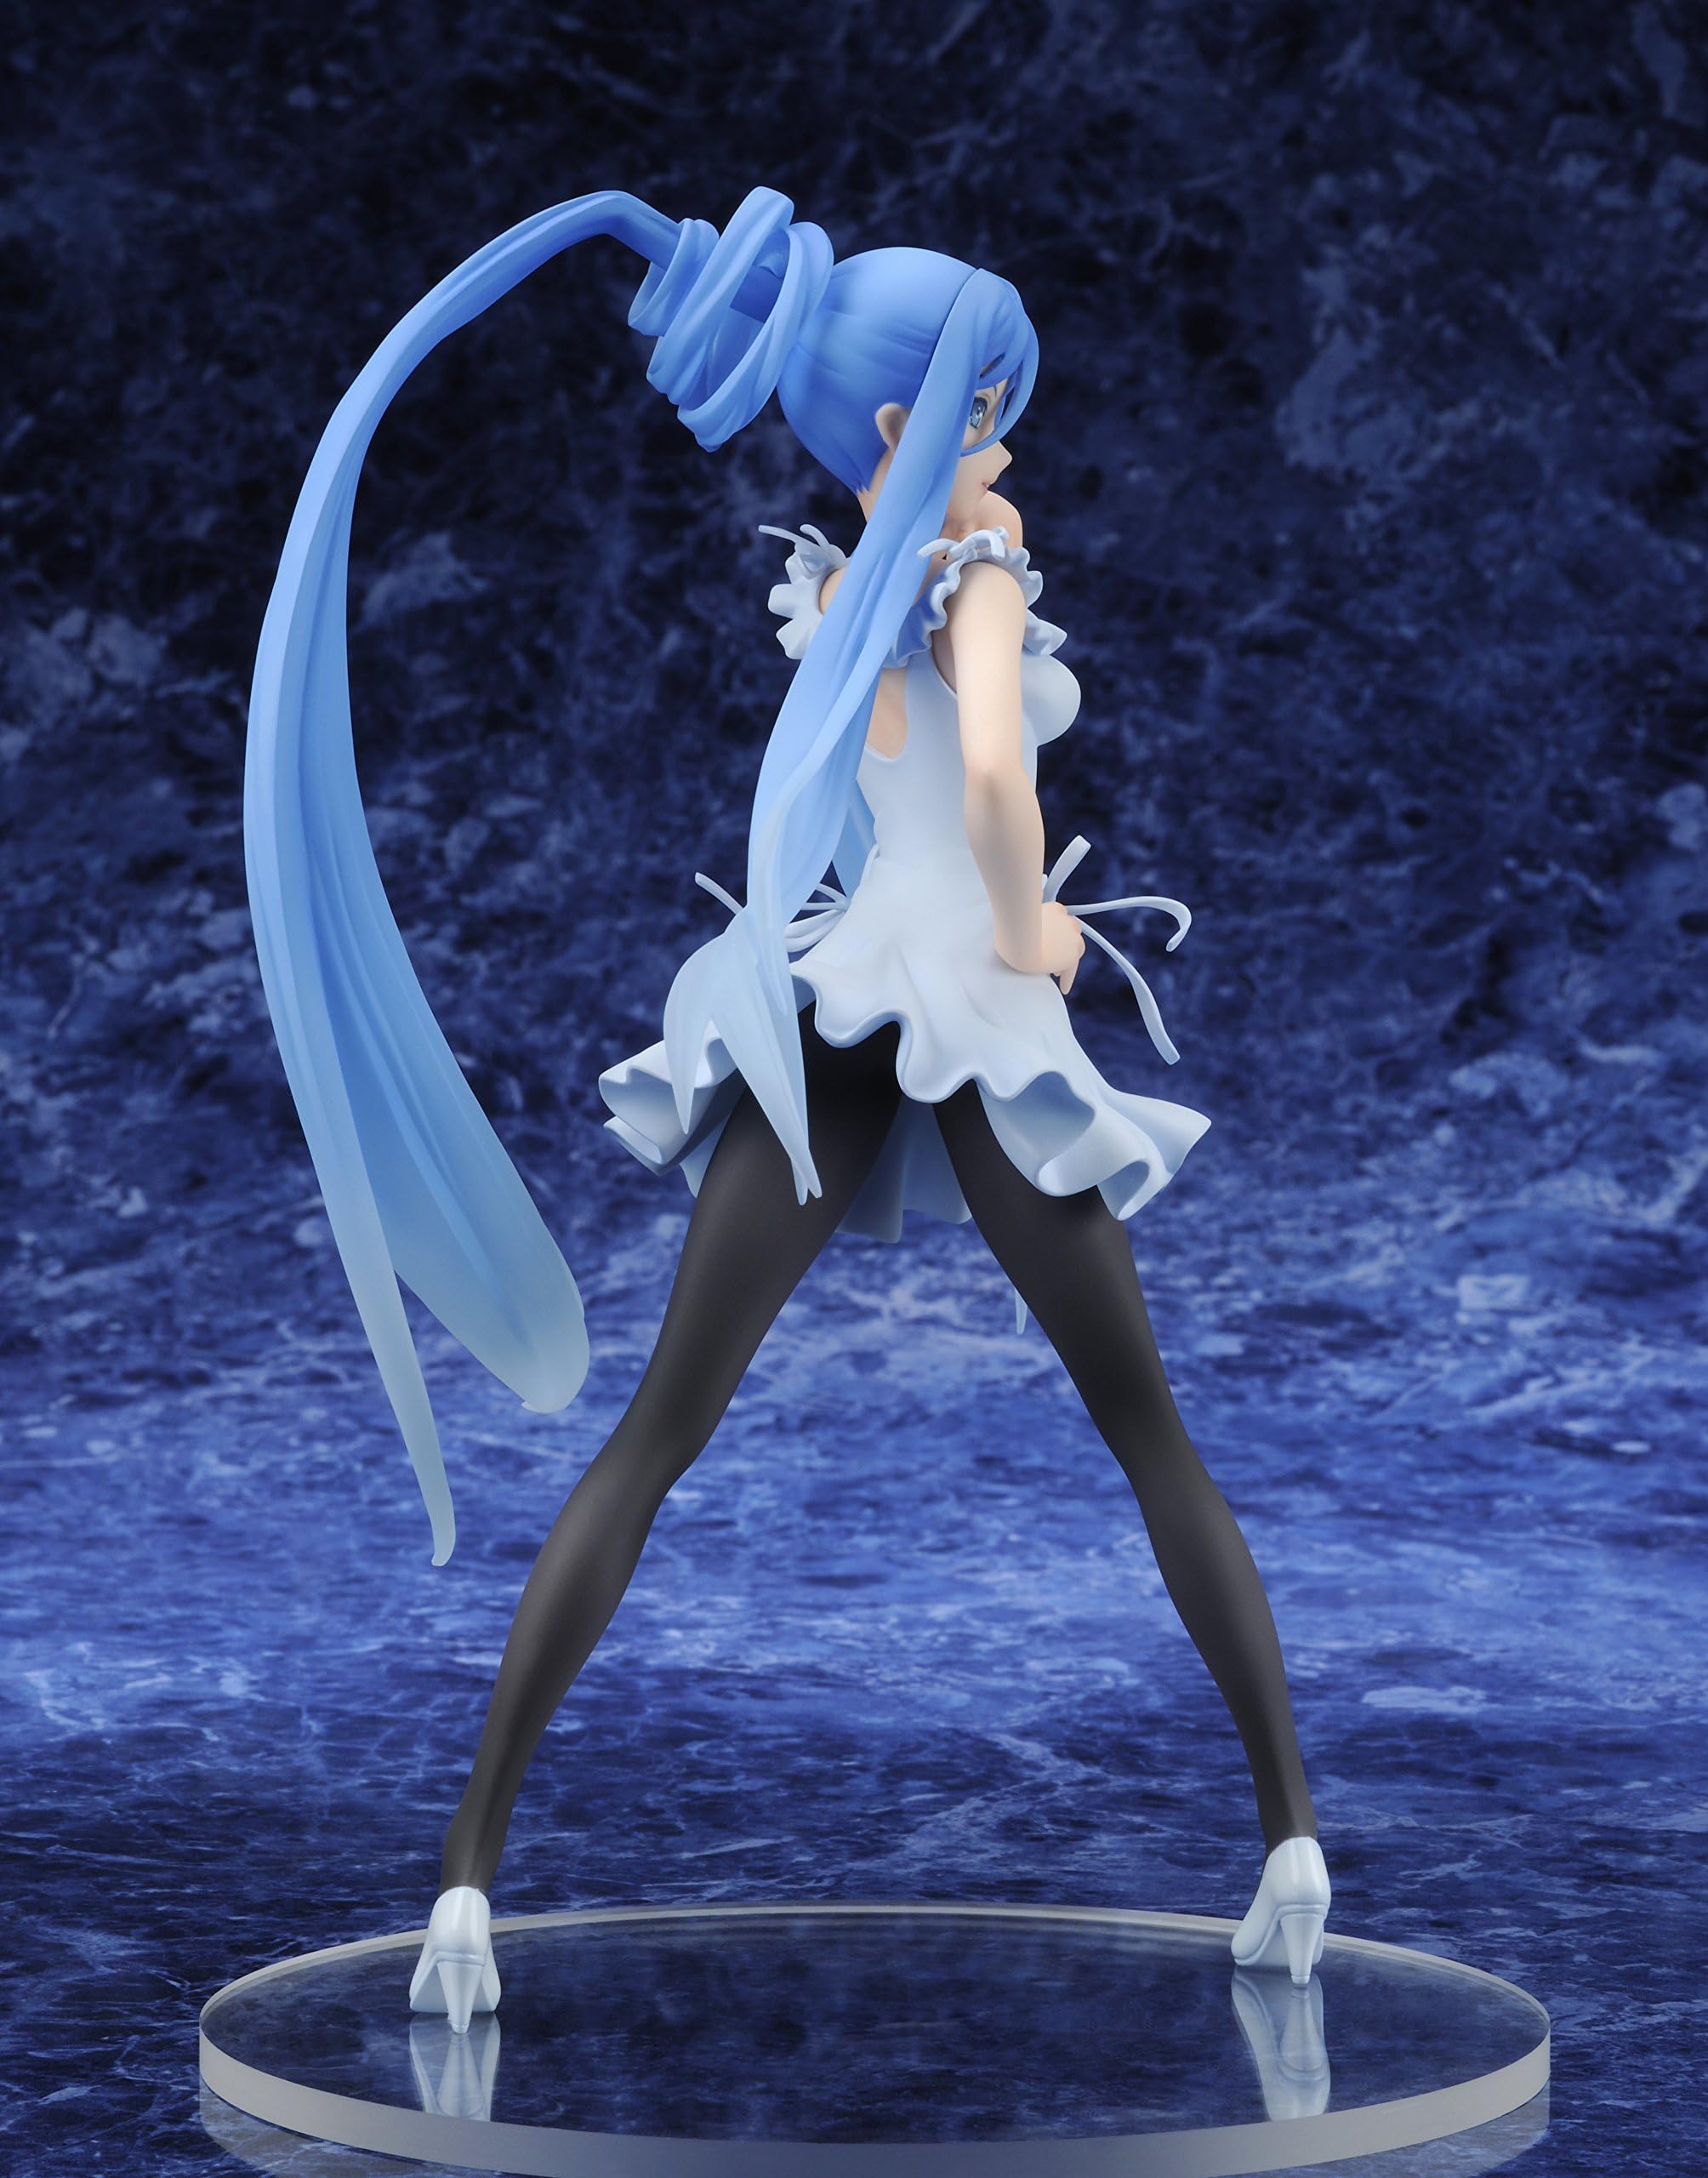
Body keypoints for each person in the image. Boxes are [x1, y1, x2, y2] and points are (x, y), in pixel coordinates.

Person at [242, 186, 1332, 2037]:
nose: (1007, 444)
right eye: (983, 409)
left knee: (659, 1432)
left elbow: (863, 787)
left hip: (822, 1002)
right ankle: (1292, 1841)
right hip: (961, 1000)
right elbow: (989, 778)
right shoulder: (974, 575)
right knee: (1145, 1430)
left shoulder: (834, 584)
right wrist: (1036, 929)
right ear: (903, 425)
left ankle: (465, 1880)